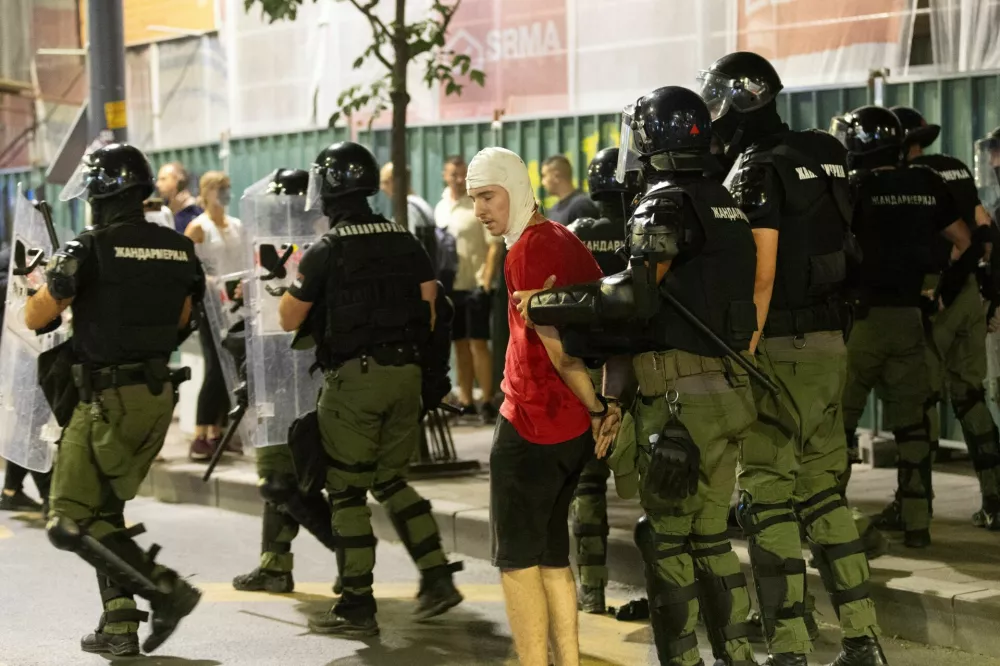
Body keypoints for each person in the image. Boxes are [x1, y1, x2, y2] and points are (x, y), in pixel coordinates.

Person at [527, 86, 761, 666]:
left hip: (680, 399)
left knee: (666, 540)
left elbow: (635, 293)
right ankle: (736, 654)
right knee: (711, 538)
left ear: (650, 138)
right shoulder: (725, 199)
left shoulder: (665, 201)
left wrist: (551, 306)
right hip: (728, 388)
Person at [698, 51, 885, 665]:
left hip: (778, 346)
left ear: (732, 103)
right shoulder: (823, 151)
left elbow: (763, 272)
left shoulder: (756, 168)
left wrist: (739, 356)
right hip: (832, 344)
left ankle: (790, 647)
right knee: (824, 491)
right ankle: (862, 639)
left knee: (768, 497)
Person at [278, 141, 463, 636]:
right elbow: (431, 309)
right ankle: (439, 575)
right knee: (391, 479)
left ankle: (357, 604)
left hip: (355, 380)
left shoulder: (325, 250)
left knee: (346, 490)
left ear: (328, 192)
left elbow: (288, 316)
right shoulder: (406, 240)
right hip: (407, 376)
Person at [26, 143, 204, 657]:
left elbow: (39, 317)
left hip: (105, 396)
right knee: (103, 510)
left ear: (101, 194)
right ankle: (120, 624)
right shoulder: (178, 248)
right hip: (156, 394)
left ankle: (165, 589)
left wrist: (47, 288)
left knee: (68, 519)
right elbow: (182, 319)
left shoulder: (88, 247)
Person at [467, 145, 609, 666]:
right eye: (474, 199)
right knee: (552, 553)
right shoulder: (566, 238)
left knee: (517, 561)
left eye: (488, 195)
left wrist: (597, 407)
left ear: (515, 188)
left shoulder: (526, 250)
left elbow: (554, 343)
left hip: (534, 423)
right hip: (569, 430)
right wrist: (602, 406)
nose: (480, 209)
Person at [834, 106, 976, 551]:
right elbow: (963, 240)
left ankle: (832, 521)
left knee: (837, 427)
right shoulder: (927, 183)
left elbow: (837, 250)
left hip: (862, 323)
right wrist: (931, 288)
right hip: (911, 319)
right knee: (913, 427)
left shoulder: (855, 190)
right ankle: (917, 521)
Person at [891, 106, 1000, 531]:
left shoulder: (908, 181)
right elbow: (984, 230)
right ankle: (995, 499)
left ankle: (914, 507)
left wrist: (937, 291)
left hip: (933, 297)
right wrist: (985, 296)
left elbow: (939, 243)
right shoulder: (955, 168)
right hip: (971, 297)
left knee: (920, 403)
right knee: (971, 397)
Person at [565, 146, 639, 614]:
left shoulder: (572, 235)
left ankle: (591, 590)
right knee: (654, 486)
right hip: (638, 372)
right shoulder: (642, 231)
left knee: (587, 487)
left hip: (584, 376)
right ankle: (669, 591)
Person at [434, 155, 501, 423]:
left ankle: (486, 399)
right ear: (445, 175)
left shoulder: (477, 205)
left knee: (478, 344)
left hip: (475, 285)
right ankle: (466, 400)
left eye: (463, 174)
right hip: (451, 287)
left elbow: (494, 245)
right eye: (453, 174)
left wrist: (486, 281)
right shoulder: (440, 207)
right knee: (458, 344)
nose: (459, 179)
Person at [184, 171, 242, 461]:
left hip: (235, 302)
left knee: (233, 366)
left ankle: (220, 429)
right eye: (220, 188)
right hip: (210, 304)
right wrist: (207, 282)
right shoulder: (199, 227)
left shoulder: (236, 226)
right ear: (206, 192)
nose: (224, 193)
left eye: (227, 188)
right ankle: (200, 432)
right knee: (215, 366)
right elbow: (186, 266)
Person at [541, 154, 601, 225]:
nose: (543, 182)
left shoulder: (581, 206)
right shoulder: (553, 210)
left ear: (556, 176)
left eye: (544, 176)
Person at [155, 161, 203, 234]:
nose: (158, 184)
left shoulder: (194, 210)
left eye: (163, 179)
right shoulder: (163, 207)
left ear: (178, 181)